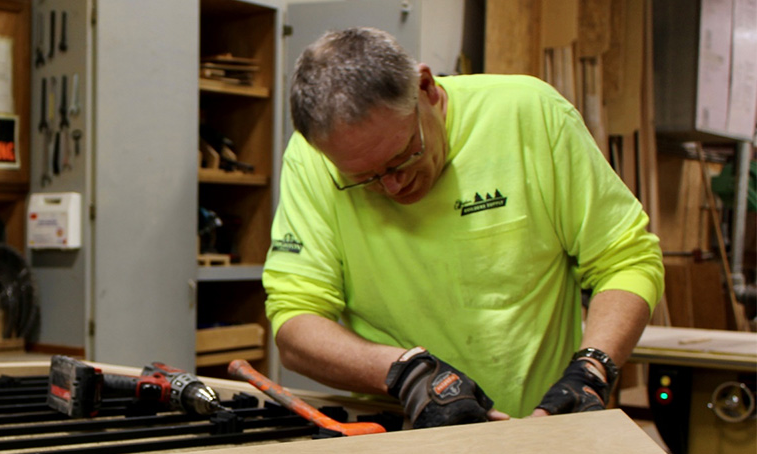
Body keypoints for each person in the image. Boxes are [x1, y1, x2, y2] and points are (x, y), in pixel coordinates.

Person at [264, 27, 664, 428]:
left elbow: (625, 259)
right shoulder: (314, 158)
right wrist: (405, 372)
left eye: (402, 157)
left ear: (426, 89)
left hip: (542, 431)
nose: (391, 185)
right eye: (363, 178)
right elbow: (297, 322)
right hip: (399, 433)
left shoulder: (529, 115)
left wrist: (592, 371)